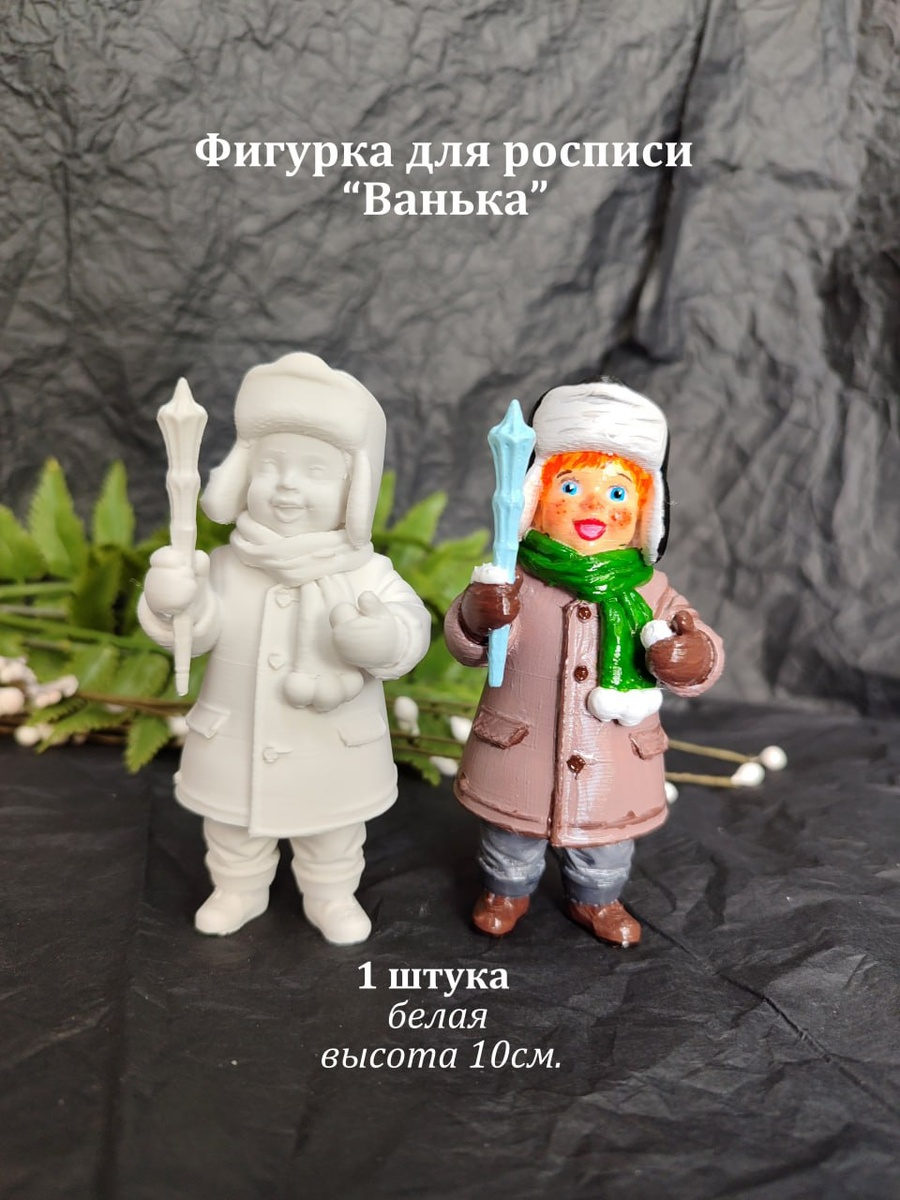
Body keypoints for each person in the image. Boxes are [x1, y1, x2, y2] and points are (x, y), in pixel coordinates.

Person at [139, 353, 430, 943]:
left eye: (314, 471)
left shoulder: (367, 572)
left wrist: (383, 638)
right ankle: (238, 888)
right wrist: (173, 604)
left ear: (354, 489)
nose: (287, 484)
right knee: (232, 829)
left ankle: (331, 895)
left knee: (334, 832)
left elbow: (411, 626)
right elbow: (198, 631)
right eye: (270, 466)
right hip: (237, 741)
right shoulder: (226, 564)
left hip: (333, 746)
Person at [444, 379, 724, 946]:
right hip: (521, 751)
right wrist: (478, 616)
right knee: (510, 835)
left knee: (607, 844)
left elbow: (702, 648)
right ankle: (505, 890)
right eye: (570, 486)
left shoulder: (652, 592)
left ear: (645, 513)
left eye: (618, 492)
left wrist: (691, 656)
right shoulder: (512, 579)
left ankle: (597, 898)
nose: (594, 506)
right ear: (535, 498)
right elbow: (468, 648)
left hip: (611, 761)